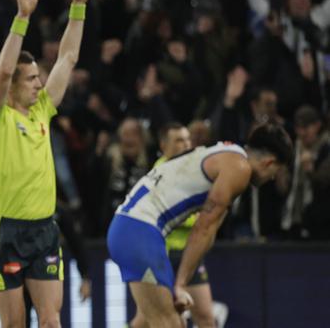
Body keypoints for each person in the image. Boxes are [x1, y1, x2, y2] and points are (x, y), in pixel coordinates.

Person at [0, 0, 92, 327]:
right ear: (13, 87)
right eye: (31, 79)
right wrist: (21, 19)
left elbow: (69, 58)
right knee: (14, 325)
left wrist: (79, 7)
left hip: (44, 230)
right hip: (6, 230)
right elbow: (3, 71)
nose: (39, 85)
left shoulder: (42, 110)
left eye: (38, 78)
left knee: (51, 321)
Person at [107, 123, 292, 327]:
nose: (273, 177)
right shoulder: (240, 168)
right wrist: (181, 284)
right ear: (269, 162)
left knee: (151, 321)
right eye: (276, 171)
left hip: (130, 229)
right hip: (139, 231)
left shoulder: (228, 153)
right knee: (170, 323)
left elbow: (209, 231)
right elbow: (203, 228)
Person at [131, 122, 216, 327]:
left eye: (187, 139)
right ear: (163, 145)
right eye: (179, 140)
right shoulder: (160, 173)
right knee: (147, 319)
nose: (186, 144)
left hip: (188, 256)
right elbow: (172, 215)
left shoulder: (193, 169)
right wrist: (202, 215)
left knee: (205, 316)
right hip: (162, 255)